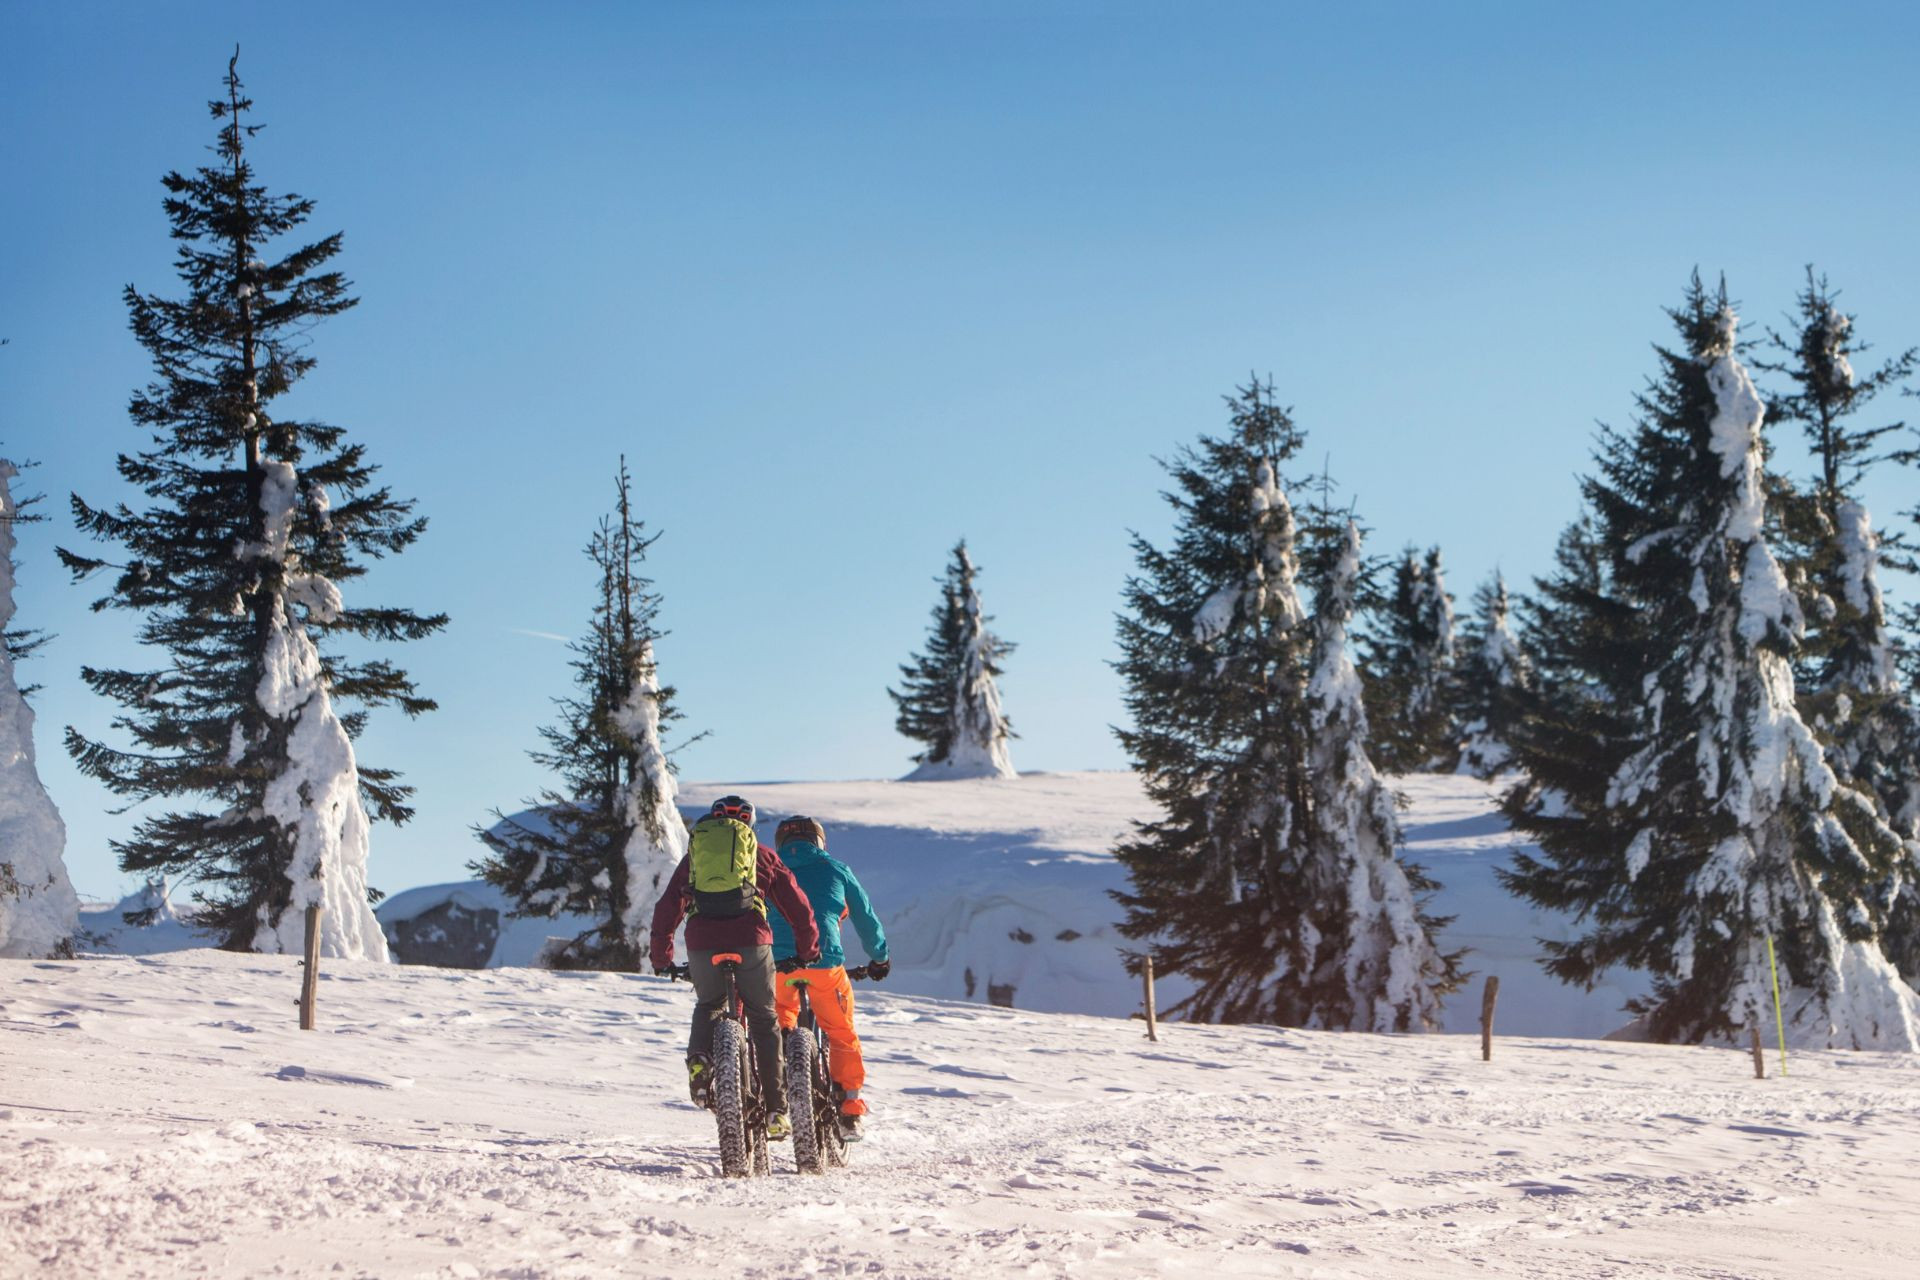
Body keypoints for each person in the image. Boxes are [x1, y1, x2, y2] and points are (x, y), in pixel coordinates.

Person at [650, 795, 820, 1140]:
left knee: (709, 1005)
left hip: (702, 941)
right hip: (751, 940)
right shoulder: (763, 855)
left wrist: (662, 958)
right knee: (763, 1018)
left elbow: (668, 907)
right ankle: (776, 1111)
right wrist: (808, 950)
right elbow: (798, 907)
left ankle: (700, 1060)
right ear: (750, 826)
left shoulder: (695, 856)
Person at [767, 815, 890, 1141]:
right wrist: (880, 957)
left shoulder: (768, 867)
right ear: (819, 841)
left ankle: (778, 1087)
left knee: (778, 1022)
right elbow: (864, 917)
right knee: (840, 1031)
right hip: (824, 965)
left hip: (777, 965)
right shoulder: (836, 868)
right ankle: (850, 1109)